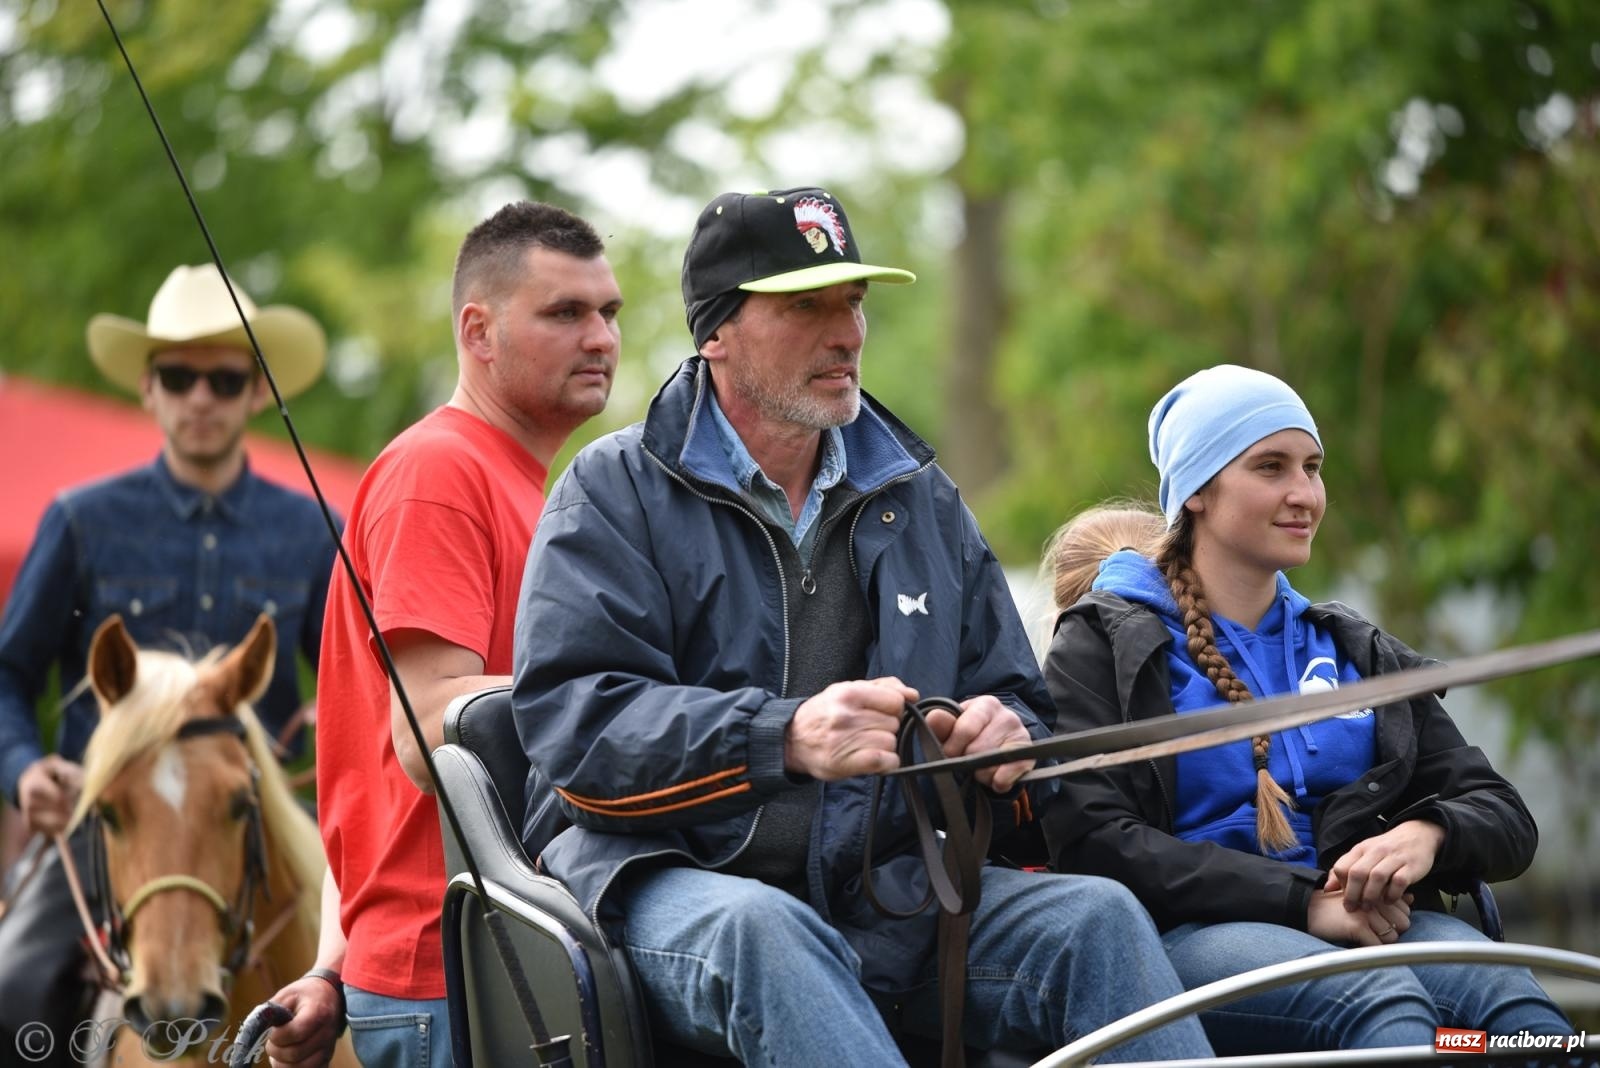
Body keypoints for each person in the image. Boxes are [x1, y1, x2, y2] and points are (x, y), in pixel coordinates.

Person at [511, 186, 1212, 1065]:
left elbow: (1018, 700)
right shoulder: (611, 491)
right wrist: (785, 737)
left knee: (1095, 917)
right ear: (716, 332)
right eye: (808, 305)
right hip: (664, 884)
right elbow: (577, 732)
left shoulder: (922, 495)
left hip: (890, 893)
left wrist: (1007, 740)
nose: (847, 332)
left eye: (854, 301)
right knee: (766, 931)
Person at [1040, 364, 1572, 1055]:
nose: (1304, 494)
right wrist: (1302, 901)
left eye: (1313, 467)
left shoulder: (1351, 644)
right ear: (1197, 490)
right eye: (1271, 467)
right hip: (1192, 939)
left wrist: (1427, 836)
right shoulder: (1104, 641)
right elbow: (1092, 840)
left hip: (1368, 923)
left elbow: (1502, 814)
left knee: (1519, 1014)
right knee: (1383, 1006)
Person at [0, 263, 337, 1067]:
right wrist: (21, 772)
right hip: (106, 819)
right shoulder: (81, 519)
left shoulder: (313, 528)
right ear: (149, 388)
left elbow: (353, 679)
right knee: (14, 994)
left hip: (255, 823)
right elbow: (8, 672)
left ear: (256, 392)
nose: (201, 398)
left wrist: (336, 721)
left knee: (388, 986)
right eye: (180, 377)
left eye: (224, 379)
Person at [313, 201, 621, 1068]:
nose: (600, 337)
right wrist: (630, 698)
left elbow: (360, 779)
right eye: (565, 313)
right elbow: (425, 728)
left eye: (609, 312)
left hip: (492, 957)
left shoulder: (522, 482)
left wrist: (327, 971)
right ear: (477, 332)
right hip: (450, 979)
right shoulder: (440, 472)